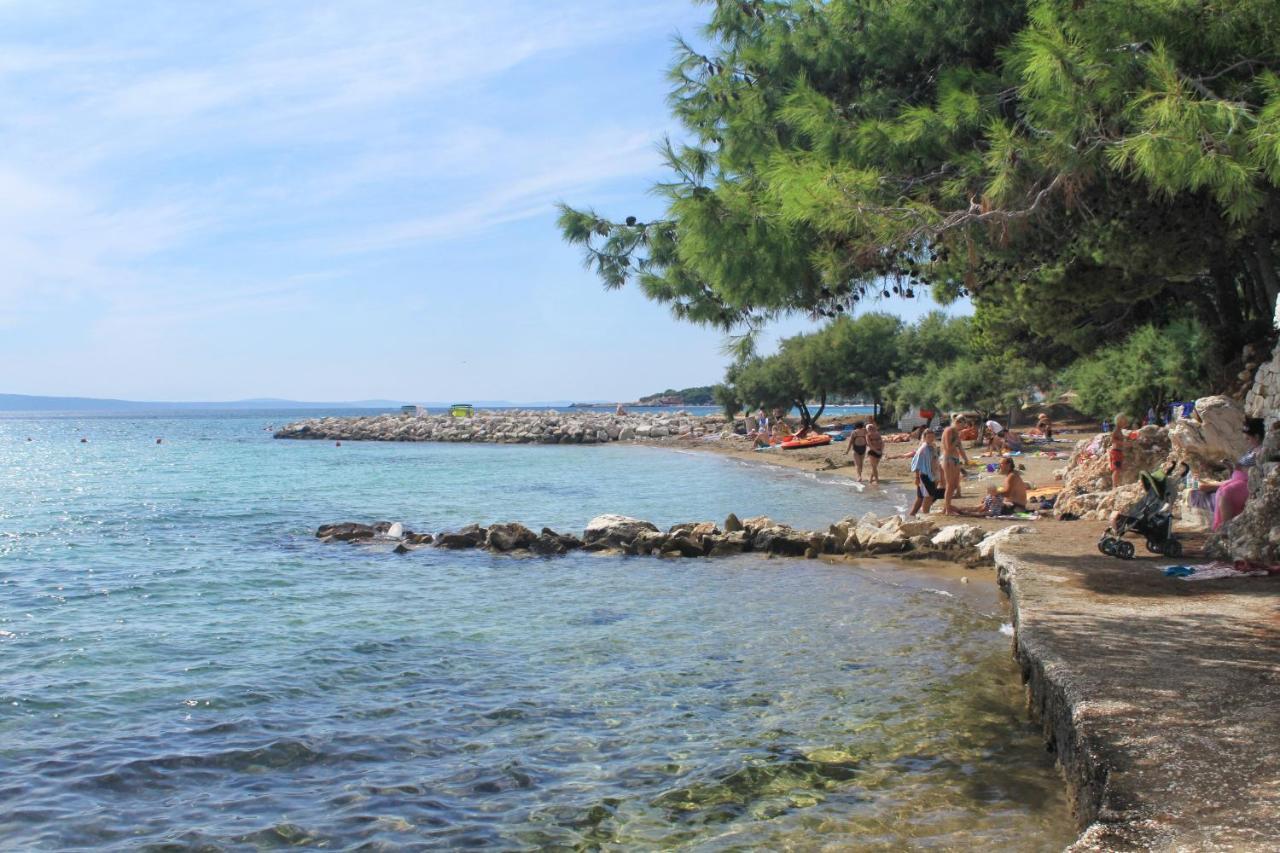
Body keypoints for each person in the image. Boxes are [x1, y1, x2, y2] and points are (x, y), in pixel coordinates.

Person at [1192, 417, 1266, 530]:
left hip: (1242, 483)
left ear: (1257, 436)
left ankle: (1225, 529)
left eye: (1248, 438)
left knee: (1207, 487)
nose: (1247, 441)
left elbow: (1252, 472)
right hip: (1234, 480)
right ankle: (1191, 485)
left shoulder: (1261, 451)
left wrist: (1232, 468)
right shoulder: (1252, 450)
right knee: (1197, 483)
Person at [909, 429, 944, 516]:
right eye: (928, 437)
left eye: (932, 436)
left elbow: (936, 460)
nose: (931, 438)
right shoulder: (923, 449)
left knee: (920, 498)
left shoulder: (932, 446)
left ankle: (912, 515)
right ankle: (925, 515)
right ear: (924, 437)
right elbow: (916, 463)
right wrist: (917, 478)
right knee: (929, 496)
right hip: (924, 476)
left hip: (931, 475)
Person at [941, 414, 969, 515]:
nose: (963, 428)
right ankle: (947, 509)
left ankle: (946, 507)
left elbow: (960, 448)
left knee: (955, 483)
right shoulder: (949, 430)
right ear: (957, 422)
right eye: (962, 425)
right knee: (950, 485)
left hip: (955, 460)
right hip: (948, 459)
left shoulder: (956, 432)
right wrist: (957, 439)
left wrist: (966, 460)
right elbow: (948, 448)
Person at [1109, 414, 1130, 488]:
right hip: (1116, 451)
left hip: (1118, 451)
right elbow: (1112, 440)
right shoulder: (1116, 430)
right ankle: (1114, 486)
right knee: (1116, 469)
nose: (1125, 423)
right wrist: (1123, 443)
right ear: (1120, 421)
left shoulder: (1119, 430)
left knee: (1118, 469)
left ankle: (1117, 484)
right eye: (1124, 421)